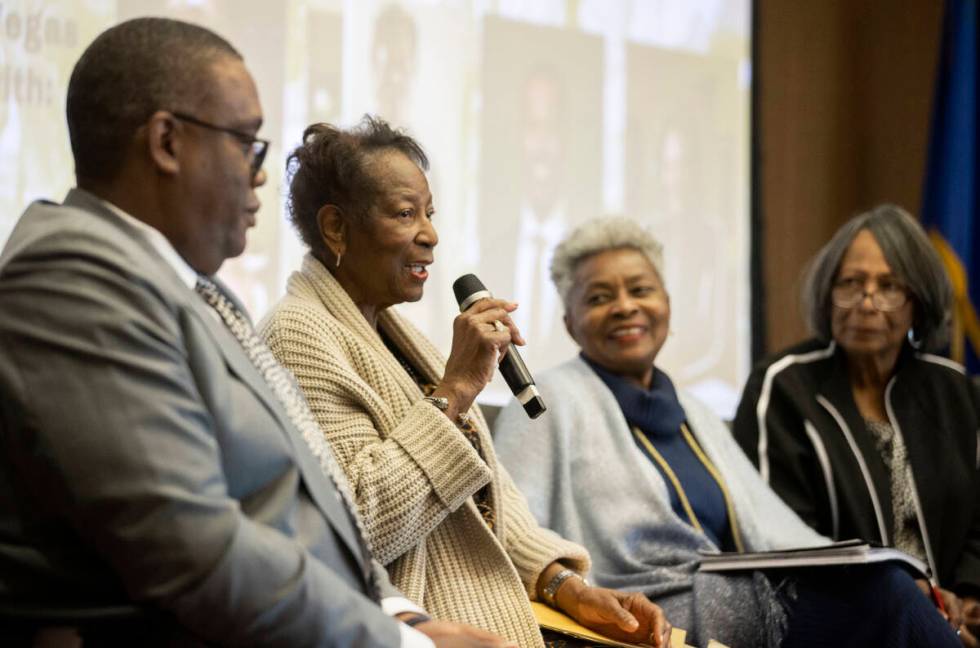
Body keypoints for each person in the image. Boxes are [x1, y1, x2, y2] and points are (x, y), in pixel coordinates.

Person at [0, 18, 511, 648]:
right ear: (166, 141)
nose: (260, 174)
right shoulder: (70, 285)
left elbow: (310, 516)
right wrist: (405, 644)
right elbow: (193, 550)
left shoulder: (184, 293)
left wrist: (402, 615)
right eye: (246, 144)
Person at [259, 118, 672, 648]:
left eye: (430, 213)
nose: (431, 234)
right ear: (337, 228)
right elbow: (360, 521)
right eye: (406, 213)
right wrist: (454, 389)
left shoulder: (395, 333)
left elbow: (486, 497)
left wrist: (566, 585)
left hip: (511, 619)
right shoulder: (297, 334)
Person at [492, 216, 963, 648]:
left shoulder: (694, 411)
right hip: (642, 611)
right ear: (569, 323)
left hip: (734, 597)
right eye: (599, 298)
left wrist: (883, 566)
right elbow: (510, 529)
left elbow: (776, 531)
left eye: (640, 290)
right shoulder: (543, 399)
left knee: (893, 589)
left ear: (667, 306)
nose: (624, 307)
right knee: (887, 600)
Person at [733, 204, 980, 645]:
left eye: (888, 287)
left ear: (917, 302)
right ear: (828, 294)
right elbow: (779, 540)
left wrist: (967, 592)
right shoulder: (785, 387)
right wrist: (913, 599)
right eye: (850, 284)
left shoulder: (955, 391)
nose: (866, 301)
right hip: (846, 619)